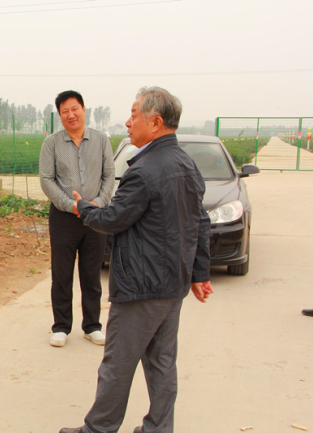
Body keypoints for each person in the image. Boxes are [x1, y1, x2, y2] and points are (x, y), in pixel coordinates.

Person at [59, 86, 213, 433]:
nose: (128, 123)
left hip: (142, 287)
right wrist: (199, 273)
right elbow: (200, 221)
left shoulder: (144, 171)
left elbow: (113, 219)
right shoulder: (185, 163)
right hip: (172, 284)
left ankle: (99, 428)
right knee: (162, 363)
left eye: (133, 115)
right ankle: (159, 427)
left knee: (117, 364)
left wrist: (84, 208)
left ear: (155, 122)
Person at [39, 90, 115, 348]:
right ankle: (61, 327)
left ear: (84, 110)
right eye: (65, 111)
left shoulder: (101, 140)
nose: (71, 115)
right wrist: (71, 206)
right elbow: (47, 180)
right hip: (64, 218)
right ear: (60, 115)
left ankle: (92, 326)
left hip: (95, 217)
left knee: (91, 274)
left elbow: (109, 176)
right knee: (62, 274)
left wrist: (97, 204)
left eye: (74, 109)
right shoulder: (52, 144)